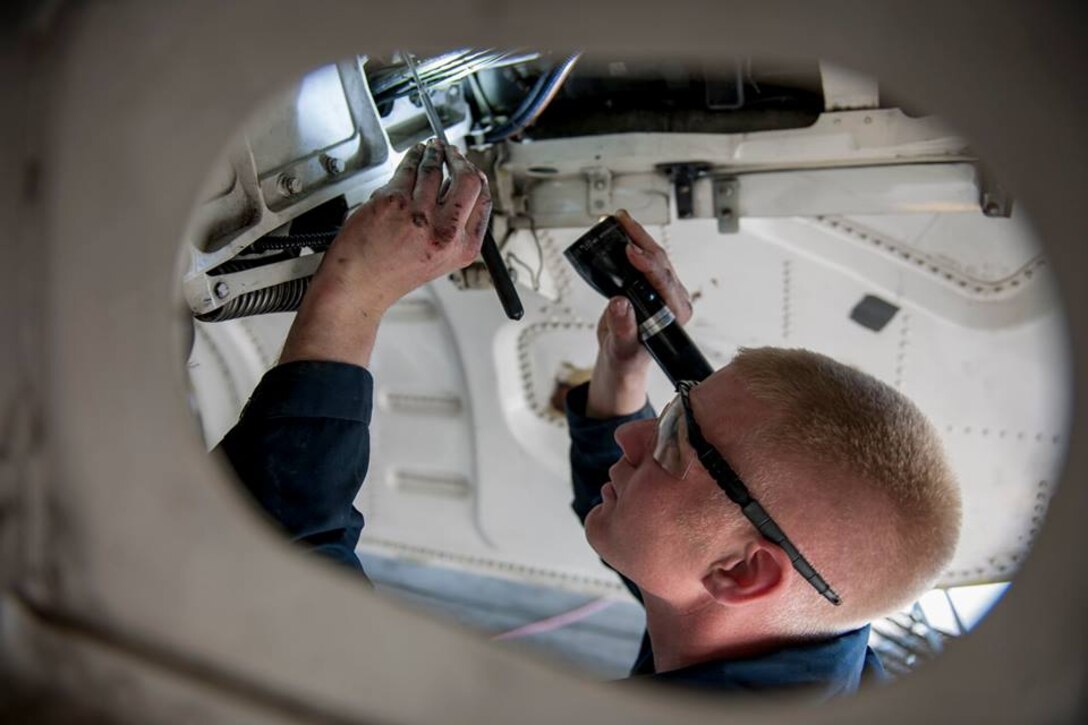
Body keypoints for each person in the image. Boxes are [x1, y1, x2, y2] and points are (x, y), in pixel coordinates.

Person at [220, 138, 962, 697]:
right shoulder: (812, 623)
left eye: (671, 444)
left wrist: (353, 290)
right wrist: (625, 368)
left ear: (742, 572)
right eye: (673, 411)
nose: (636, 432)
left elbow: (278, 585)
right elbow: (676, 536)